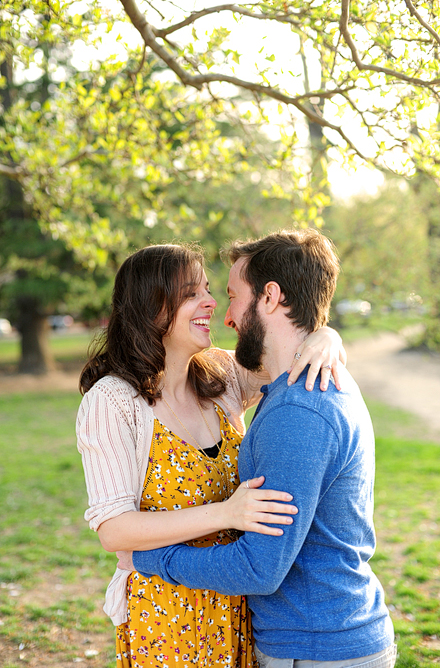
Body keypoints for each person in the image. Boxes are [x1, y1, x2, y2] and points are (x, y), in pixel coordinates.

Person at [123, 229, 396, 668]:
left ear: (270, 297)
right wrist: (326, 333)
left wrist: (154, 558)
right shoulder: (317, 386)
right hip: (329, 639)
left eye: (232, 295)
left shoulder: (299, 412)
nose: (226, 316)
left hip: (315, 649)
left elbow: (258, 569)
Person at [76, 242, 346, 667]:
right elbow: (114, 530)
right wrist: (227, 514)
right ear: (153, 307)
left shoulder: (221, 374)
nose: (211, 302)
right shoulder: (113, 401)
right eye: (192, 293)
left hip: (236, 608)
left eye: (207, 289)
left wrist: (326, 336)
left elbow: (286, 347)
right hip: (166, 616)